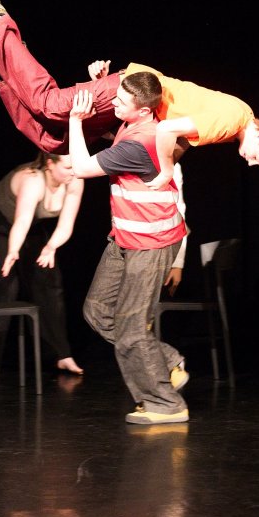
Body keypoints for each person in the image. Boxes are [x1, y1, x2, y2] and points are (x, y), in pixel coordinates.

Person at [0, 0, 259, 185]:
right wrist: (166, 171)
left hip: (136, 102)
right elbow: (167, 130)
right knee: (51, 105)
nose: (250, 161)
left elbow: (176, 135)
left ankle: (3, 61)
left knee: (54, 142)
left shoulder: (234, 121)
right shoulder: (231, 121)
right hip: (133, 90)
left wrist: (122, 138)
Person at [66, 81, 193, 425]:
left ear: (144, 110)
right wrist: (101, 80)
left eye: (121, 101)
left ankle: (166, 404)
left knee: (132, 329)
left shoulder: (139, 144)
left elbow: (81, 168)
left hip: (150, 244)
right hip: (125, 236)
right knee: (97, 310)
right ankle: (166, 361)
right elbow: (117, 121)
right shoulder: (133, 124)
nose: (114, 105)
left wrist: (75, 120)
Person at [0, 152, 86, 378]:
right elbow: (21, 220)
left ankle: (61, 355)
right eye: (68, 167)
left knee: (49, 279)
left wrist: (51, 246)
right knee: (5, 286)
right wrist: (13, 251)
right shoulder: (32, 180)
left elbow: (66, 224)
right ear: (50, 164)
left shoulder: (75, 181)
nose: (73, 172)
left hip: (29, 227)